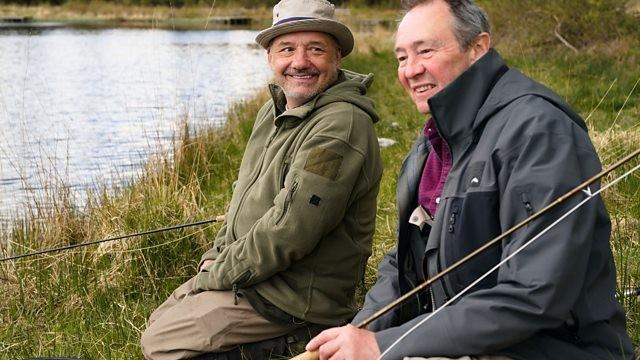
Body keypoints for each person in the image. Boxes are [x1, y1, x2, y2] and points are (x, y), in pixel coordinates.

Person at [306, 0, 634, 359]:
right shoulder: (435, 141)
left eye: (425, 51)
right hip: (460, 341)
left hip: (550, 349)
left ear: (477, 48)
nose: (411, 70)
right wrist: (362, 330)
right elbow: (404, 261)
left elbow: (535, 294)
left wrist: (385, 345)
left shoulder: (539, 130)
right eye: (401, 57)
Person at [140, 0, 383, 358]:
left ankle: (296, 343)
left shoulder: (340, 127)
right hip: (257, 277)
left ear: (337, 58)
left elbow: (290, 231)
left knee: (163, 345)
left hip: (295, 299)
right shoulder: (274, 109)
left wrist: (216, 276)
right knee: (158, 323)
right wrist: (215, 254)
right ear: (270, 56)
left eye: (315, 49)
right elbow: (243, 197)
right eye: (287, 49)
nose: (300, 62)